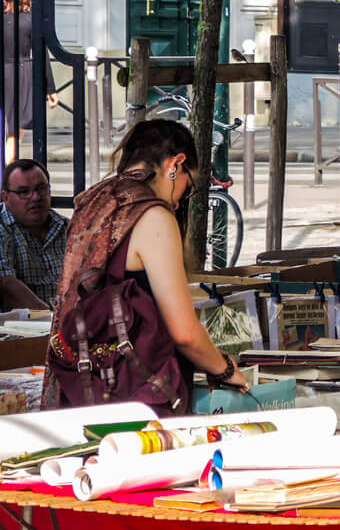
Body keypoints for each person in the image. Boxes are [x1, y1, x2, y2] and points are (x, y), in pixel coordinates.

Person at [44, 119, 249, 412]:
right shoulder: (153, 216)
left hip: (87, 381)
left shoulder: (93, 202)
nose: (179, 203)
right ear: (175, 164)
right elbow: (184, 332)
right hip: (138, 388)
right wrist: (225, 368)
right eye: (186, 188)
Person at [2, 0, 58, 163]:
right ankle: (7, 176)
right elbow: (42, 54)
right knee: (14, 134)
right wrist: (50, 88)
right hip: (21, 73)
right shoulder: (29, 19)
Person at [0, 158, 67, 306]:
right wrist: (50, 319)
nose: (36, 197)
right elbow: (7, 284)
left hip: (71, 318)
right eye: (24, 192)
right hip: (20, 324)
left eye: (41, 188)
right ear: (6, 197)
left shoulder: (68, 228)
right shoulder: (2, 228)